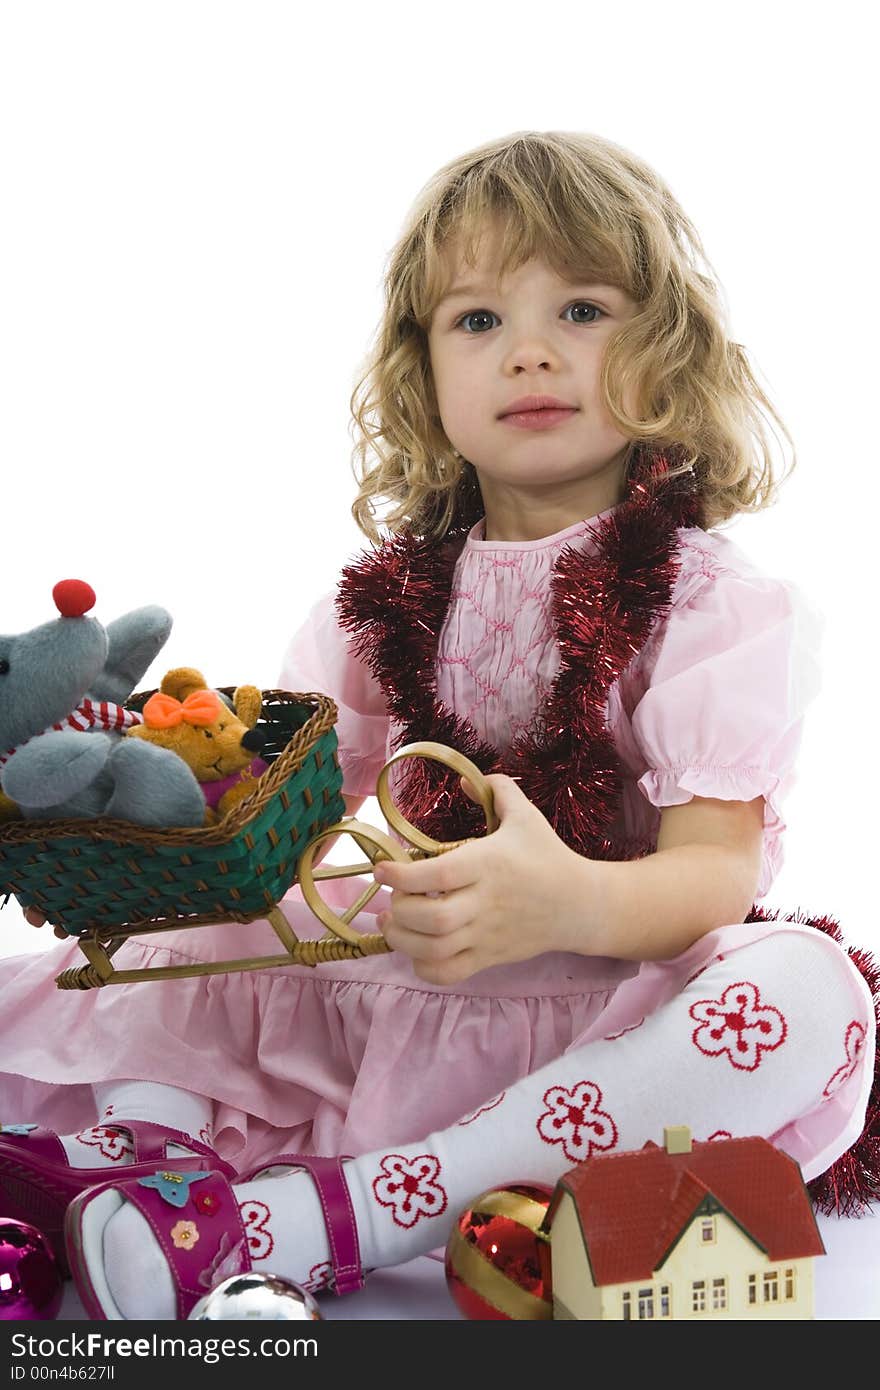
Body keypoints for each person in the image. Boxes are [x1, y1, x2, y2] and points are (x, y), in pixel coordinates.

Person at [0, 129, 875, 1320]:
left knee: (809, 990)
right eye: (476, 321)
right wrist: (159, 800)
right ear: (421, 371)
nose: (526, 350)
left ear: (664, 352)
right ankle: (150, 1176)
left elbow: (713, 872)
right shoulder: (380, 603)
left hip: (593, 1015)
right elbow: (296, 835)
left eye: (580, 308)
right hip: (387, 981)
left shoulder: (711, 602)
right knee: (180, 923)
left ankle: (322, 1217)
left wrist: (564, 900)